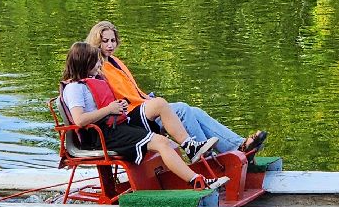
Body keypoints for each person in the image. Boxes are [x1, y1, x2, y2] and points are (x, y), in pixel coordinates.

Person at [86, 21, 267, 157]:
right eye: (105, 41)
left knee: (193, 111)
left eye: (113, 40)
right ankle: (205, 157)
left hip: (141, 107)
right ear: (96, 42)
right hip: (129, 117)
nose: (110, 45)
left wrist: (146, 98)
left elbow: (131, 91)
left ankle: (237, 146)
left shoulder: (115, 61)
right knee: (180, 109)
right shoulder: (96, 67)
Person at [58, 42, 211, 189]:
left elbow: (102, 106)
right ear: (84, 63)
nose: (100, 65)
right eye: (96, 62)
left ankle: (189, 146)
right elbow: (80, 120)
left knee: (159, 103)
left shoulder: (90, 81)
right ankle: (195, 180)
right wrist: (110, 109)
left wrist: (118, 106)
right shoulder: (74, 88)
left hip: (116, 124)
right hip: (102, 136)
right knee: (162, 142)